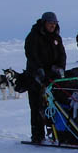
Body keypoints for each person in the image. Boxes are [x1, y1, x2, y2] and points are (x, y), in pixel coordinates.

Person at [24, 11, 66, 144]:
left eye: (54, 23)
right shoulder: (34, 37)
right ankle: (37, 136)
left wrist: (60, 67)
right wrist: (38, 70)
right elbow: (31, 55)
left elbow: (62, 55)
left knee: (55, 106)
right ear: (44, 23)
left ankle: (56, 133)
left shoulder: (56, 38)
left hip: (53, 78)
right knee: (37, 106)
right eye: (50, 23)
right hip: (36, 77)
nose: (52, 26)